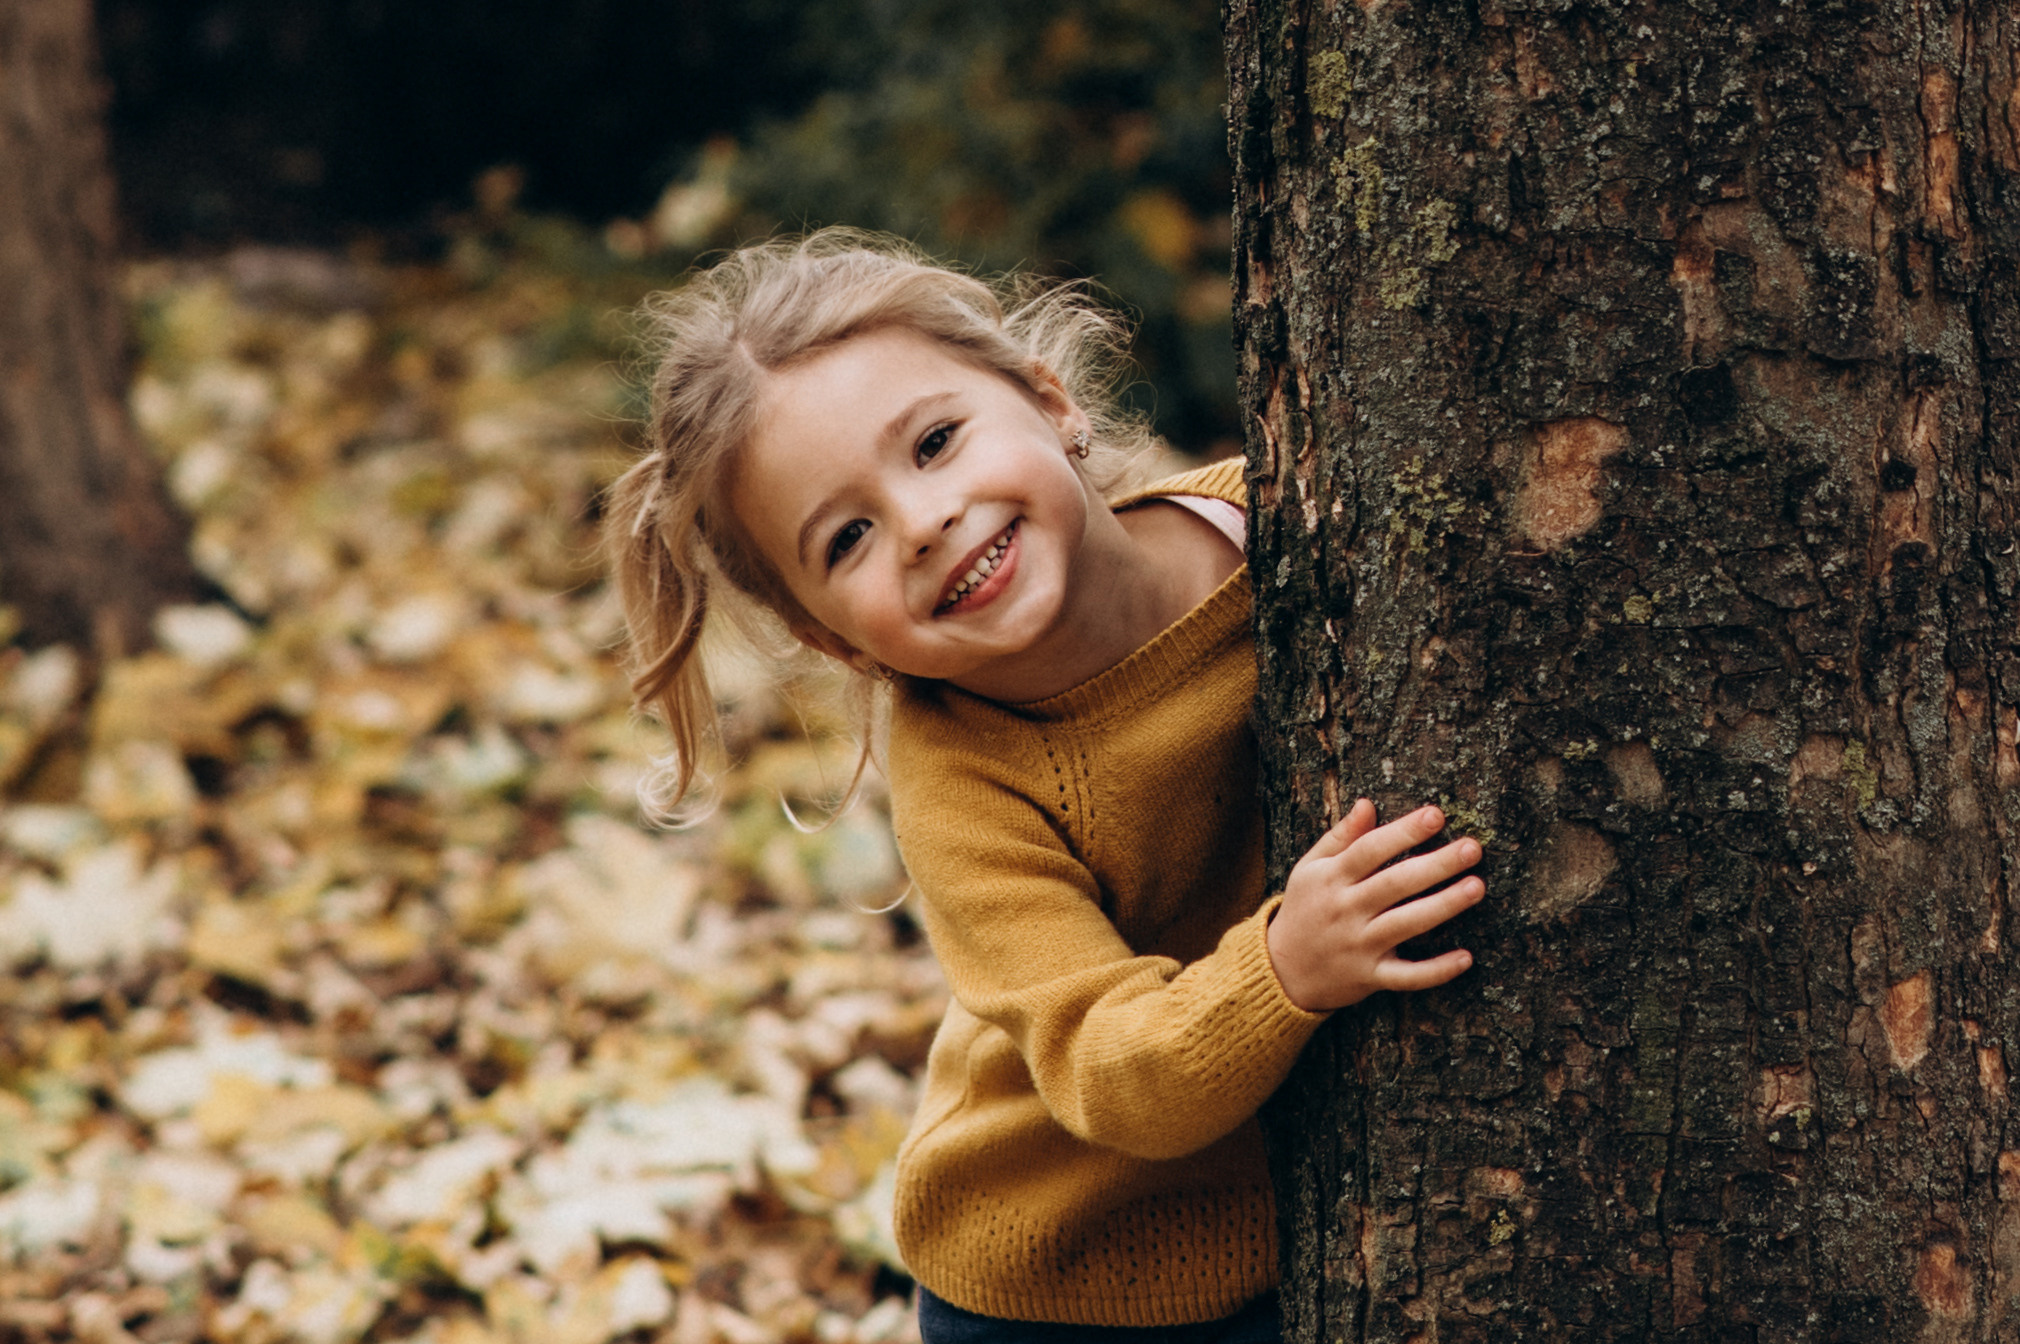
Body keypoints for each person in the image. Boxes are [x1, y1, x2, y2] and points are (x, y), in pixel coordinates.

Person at [603, 229, 1483, 1342]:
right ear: (834, 643)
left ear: (1052, 401)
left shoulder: (1279, 532)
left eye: (934, 442)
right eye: (848, 537)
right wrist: (1284, 967)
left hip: (1288, 1215)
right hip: (1062, 1274)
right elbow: (1110, 1074)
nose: (924, 523)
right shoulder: (969, 784)